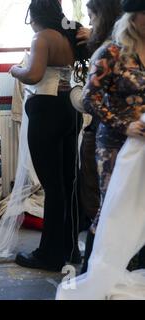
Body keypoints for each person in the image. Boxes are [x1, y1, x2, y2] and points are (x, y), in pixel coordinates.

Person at [57, 1, 145, 298]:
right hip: (115, 144)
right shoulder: (112, 52)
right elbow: (91, 97)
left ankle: (130, 274)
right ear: (133, 19)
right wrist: (125, 125)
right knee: (112, 210)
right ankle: (95, 277)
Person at [0, 0, 89, 271]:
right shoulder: (69, 36)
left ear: (35, 15)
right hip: (68, 108)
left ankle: (49, 254)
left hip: (46, 109)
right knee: (68, 182)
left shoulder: (42, 38)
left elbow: (34, 74)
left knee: (53, 187)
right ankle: (71, 249)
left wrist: (15, 70)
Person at [74, 0, 123, 274]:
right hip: (110, 135)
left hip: (105, 137)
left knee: (100, 205)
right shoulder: (115, 49)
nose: (89, 24)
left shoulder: (110, 51)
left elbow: (88, 99)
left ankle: (96, 269)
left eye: (92, 18)